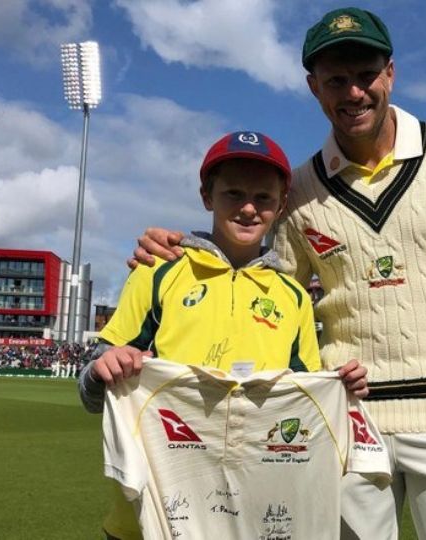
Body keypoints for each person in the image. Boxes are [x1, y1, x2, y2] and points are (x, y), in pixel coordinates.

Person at [129, 7, 426, 539]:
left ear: (390, 73)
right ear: (314, 88)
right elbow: (268, 287)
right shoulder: (298, 187)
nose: (353, 93)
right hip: (345, 421)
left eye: (366, 75)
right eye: (336, 81)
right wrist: (187, 247)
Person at [78, 130, 369, 540]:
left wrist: (341, 388)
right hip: (151, 518)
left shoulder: (294, 298)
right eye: (233, 194)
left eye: (264, 198)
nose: (249, 208)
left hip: (249, 518)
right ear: (206, 196)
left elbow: (305, 408)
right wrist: (99, 371)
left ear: (281, 206)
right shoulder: (157, 271)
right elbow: (91, 394)